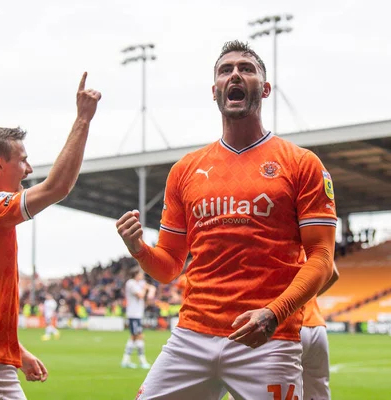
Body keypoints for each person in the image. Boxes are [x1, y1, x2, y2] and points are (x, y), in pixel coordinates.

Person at [116, 40, 336, 400]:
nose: (235, 73)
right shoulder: (185, 170)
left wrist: (274, 313)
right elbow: (170, 265)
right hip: (192, 336)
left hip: (267, 338)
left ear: (264, 89)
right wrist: (139, 248)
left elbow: (323, 260)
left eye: (246, 68)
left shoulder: (301, 163)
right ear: (215, 91)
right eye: (225, 70)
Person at [0, 73, 101, 400]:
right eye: (22, 159)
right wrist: (83, 119)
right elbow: (57, 187)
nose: (28, 169)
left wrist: (17, 350)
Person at [300, 262, 339, 400]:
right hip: (317, 327)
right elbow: (333, 273)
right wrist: (307, 297)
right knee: (317, 395)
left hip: (288, 325)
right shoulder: (310, 241)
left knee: (247, 388)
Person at [121, 267, 155, 369]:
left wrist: (150, 293)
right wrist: (145, 290)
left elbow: (152, 288)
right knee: (138, 336)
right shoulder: (131, 283)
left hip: (138, 314)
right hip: (133, 314)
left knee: (134, 337)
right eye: (140, 274)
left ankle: (126, 360)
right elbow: (140, 295)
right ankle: (141, 360)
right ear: (136, 274)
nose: (142, 276)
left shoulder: (139, 283)